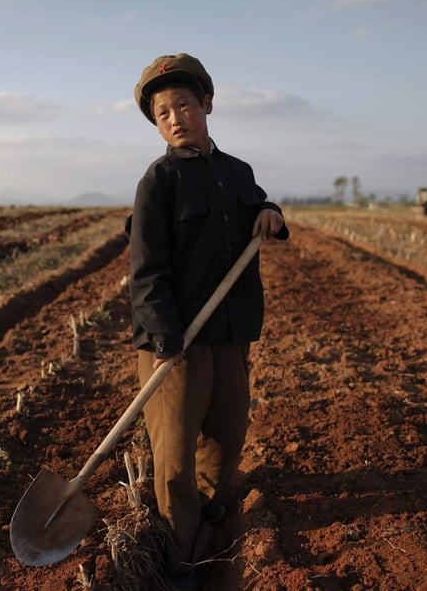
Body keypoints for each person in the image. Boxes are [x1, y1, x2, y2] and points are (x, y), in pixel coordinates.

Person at [125, 52, 289, 589]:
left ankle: (215, 515)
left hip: (227, 335)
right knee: (174, 459)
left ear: (207, 105)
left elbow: (259, 207)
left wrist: (272, 215)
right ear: (156, 123)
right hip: (175, 341)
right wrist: (166, 339)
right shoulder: (158, 183)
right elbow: (146, 272)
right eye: (163, 112)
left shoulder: (237, 173)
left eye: (183, 105)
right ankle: (180, 561)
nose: (175, 118)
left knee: (227, 432)